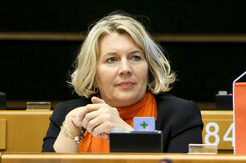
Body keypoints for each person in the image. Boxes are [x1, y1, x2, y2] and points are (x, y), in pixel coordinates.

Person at [42, 12, 203, 153]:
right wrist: (69, 132)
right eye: (112, 59)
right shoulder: (66, 114)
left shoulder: (181, 115)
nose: (125, 69)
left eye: (135, 57)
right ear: (93, 72)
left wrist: (122, 132)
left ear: (149, 67)